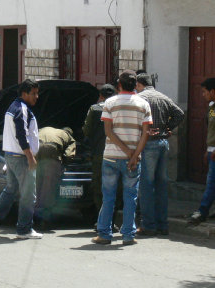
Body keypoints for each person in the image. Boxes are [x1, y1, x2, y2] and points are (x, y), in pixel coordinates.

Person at [92, 70, 152, 246]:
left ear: (119, 85)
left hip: (111, 157)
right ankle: (128, 235)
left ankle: (104, 234)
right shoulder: (143, 104)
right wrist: (134, 155)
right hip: (133, 159)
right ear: (135, 85)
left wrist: (127, 152)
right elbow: (145, 133)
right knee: (130, 196)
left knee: (108, 196)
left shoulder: (109, 103)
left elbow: (108, 131)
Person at [0, 79, 43, 239]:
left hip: (10, 155)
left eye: (37, 93)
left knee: (11, 189)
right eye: (33, 94)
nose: (36, 97)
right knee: (29, 194)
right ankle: (24, 229)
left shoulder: (13, 107)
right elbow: (21, 135)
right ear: (24, 94)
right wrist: (30, 157)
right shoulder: (21, 109)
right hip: (21, 157)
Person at [136, 73, 184, 236]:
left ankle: (148, 224)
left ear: (139, 84)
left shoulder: (140, 98)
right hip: (163, 143)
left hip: (147, 143)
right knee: (161, 185)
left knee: (146, 186)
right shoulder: (163, 97)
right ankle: (163, 224)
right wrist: (167, 127)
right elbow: (179, 114)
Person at [83, 84, 117, 215]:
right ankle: (112, 217)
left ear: (101, 96)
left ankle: (102, 216)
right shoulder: (118, 109)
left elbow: (87, 130)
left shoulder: (95, 109)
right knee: (114, 186)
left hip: (99, 153)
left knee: (98, 186)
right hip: (117, 153)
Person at [189, 78, 215, 225]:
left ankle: (202, 211)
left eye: (205, 92)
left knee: (211, 183)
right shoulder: (212, 108)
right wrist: (209, 149)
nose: (203, 95)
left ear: (212, 91)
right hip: (212, 150)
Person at [35, 126, 75, 217]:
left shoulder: (47, 129)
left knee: (37, 183)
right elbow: (69, 154)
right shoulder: (69, 137)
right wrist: (62, 165)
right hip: (52, 151)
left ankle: (31, 215)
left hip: (36, 149)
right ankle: (44, 216)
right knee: (49, 186)